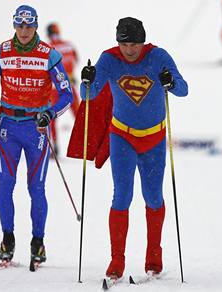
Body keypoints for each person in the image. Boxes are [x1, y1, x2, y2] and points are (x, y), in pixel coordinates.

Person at [76, 17, 188, 280]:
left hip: (154, 139)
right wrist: (87, 81)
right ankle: (117, 260)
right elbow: (87, 95)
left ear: (143, 41)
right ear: (118, 43)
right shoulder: (109, 59)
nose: (130, 50)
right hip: (122, 138)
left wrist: (170, 82)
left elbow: (183, 89)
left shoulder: (158, 56)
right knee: (122, 197)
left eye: (135, 44)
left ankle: (154, 256)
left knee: (153, 197)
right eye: (125, 44)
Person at [0, 5, 73, 268]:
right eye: (19, 26)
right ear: (14, 26)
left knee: (36, 188)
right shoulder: (0, 52)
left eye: (28, 25)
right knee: (5, 184)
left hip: (36, 129)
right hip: (8, 126)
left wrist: (50, 114)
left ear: (35, 26)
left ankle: (38, 242)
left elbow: (66, 94)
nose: (23, 30)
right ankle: (7, 239)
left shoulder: (49, 55)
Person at [46, 22, 80, 156]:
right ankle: (87, 145)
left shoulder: (48, 48)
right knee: (79, 116)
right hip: (70, 86)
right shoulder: (69, 45)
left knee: (51, 116)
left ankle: (54, 147)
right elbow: (75, 60)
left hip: (54, 88)